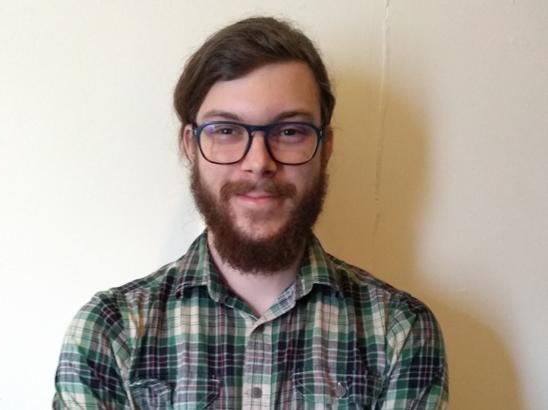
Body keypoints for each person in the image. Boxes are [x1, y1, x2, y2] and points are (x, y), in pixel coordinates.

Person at [53, 16, 448, 409]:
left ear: (325, 148)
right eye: (226, 130)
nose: (259, 163)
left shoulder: (398, 332)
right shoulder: (110, 332)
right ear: (190, 146)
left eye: (290, 131)